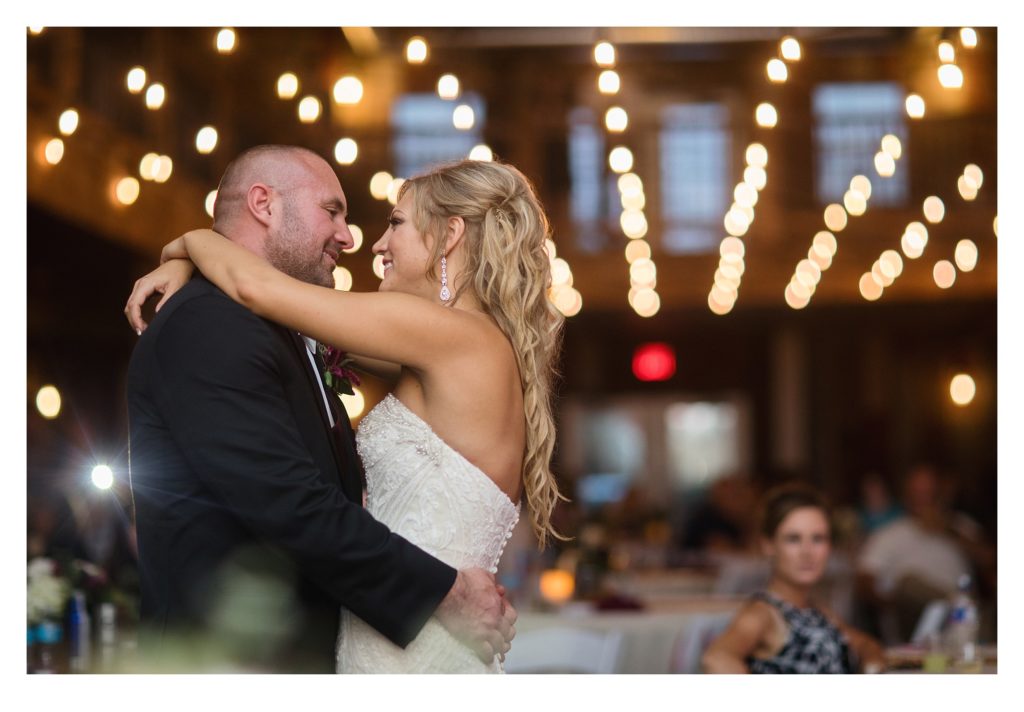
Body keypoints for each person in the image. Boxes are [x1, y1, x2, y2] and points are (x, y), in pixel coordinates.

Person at [124, 149, 564, 672]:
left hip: (418, 639)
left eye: (396, 223)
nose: (367, 242)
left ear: (449, 236)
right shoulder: (447, 349)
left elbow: (258, 287)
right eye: (333, 212)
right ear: (263, 204)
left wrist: (190, 243)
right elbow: (286, 316)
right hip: (402, 630)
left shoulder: (448, 335)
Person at [702, 483, 884, 673]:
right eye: (793, 539)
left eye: (818, 539)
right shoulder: (763, 614)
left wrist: (872, 667)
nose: (807, 552)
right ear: (768, 545)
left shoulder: (817, 611)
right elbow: (716, 658)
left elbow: (866, 644)